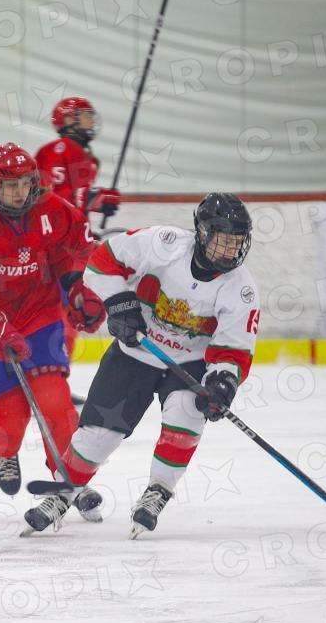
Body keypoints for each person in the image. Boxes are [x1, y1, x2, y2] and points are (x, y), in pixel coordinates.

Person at [23, 193, 260, 537]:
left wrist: (222, 383)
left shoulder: (241, 290)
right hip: (135, 351)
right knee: (100, 433)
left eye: (236, 242)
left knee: (185, 416)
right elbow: (103, 260)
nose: (230, 251)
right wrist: (120, 305)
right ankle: (61, 493)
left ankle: (158, 492)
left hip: (190, 363)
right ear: (202, 233)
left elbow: (233, 350)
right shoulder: (163, 244)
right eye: (223, 240)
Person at [0, 142, 106, 520]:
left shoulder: (54, 209)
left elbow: (75, 253)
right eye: (9, 185)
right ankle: (5, 450)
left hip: (36, 317)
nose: (19, 191)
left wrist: (79, 291)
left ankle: (71, 479)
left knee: (55, 402)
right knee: (11, 414)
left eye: (25, 182)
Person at [34, 96, 121, 404]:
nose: (90, 121)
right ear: (68, 120)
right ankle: (45, 382)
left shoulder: (84, 156)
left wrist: (98, 200)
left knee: (70, 315)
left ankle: (55, 381)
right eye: (84, 116)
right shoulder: (60, 150)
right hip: (55, 250)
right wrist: (77, 234)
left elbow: (74, 199)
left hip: (68, 248)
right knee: (60, 315)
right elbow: (52, 199)